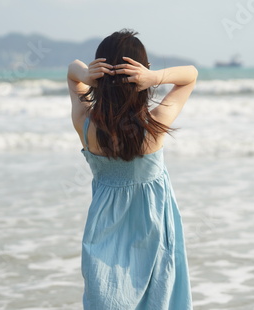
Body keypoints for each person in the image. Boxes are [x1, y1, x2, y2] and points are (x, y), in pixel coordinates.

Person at [67, 29, 198, 309]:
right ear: (142, 75)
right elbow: (191, 75)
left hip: (103, 231)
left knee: (107, 297)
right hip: (153, 231)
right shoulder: (156, 127)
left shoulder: (86, 125)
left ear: (98, 75)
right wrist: (157, 77)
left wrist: (85, 74)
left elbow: (71, 73)